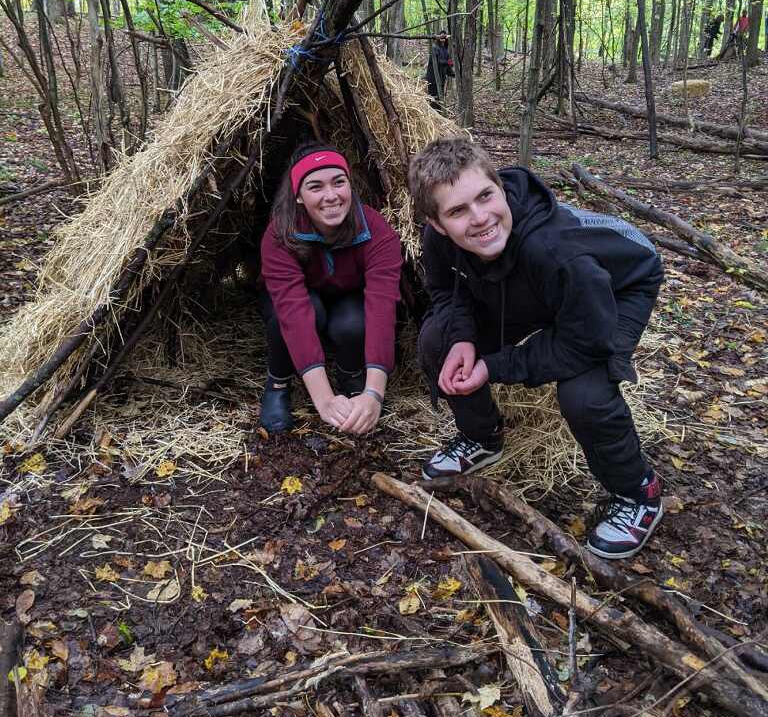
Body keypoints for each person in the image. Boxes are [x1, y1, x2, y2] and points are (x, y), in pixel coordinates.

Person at [408, 138, 665, 560]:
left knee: (585, 395)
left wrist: (492, 365)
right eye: (457, 211)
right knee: (438, 339)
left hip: (618, 285)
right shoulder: (439, 241)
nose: (480, 218)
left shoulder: (558, 251)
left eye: (486, 197)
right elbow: (446, 291)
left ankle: (639, 493)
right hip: (530, 285)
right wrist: (463, 340)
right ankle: (482, 437)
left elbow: (583, 343)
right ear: (437, 224)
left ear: (501, 188)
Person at [258, 142, 402, 436]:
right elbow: (293, 311)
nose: (331, 196)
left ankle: (351, 374)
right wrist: (323, 400)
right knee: (300, 313)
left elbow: (382, 307)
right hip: (298, 303)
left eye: (339, 182)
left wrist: (374, 393)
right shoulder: (280, 234)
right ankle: (278, 382)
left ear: (350, 185)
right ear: (298, 196)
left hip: (346, 298)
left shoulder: (375, 229)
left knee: (353, 321)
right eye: (315, 187)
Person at [424, 32, 454, 109]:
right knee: (433, 99)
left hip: (441, 79)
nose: (443, 40)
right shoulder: (435, 48)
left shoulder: (445, 51)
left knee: (440, 99)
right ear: (438, 38)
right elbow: (437, 62)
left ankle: (439, 115)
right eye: (441, 38)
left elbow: (447, 67)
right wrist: (447, 62)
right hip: (433, 79)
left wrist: (453, 73)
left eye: (444, 38)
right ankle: (433, 116)